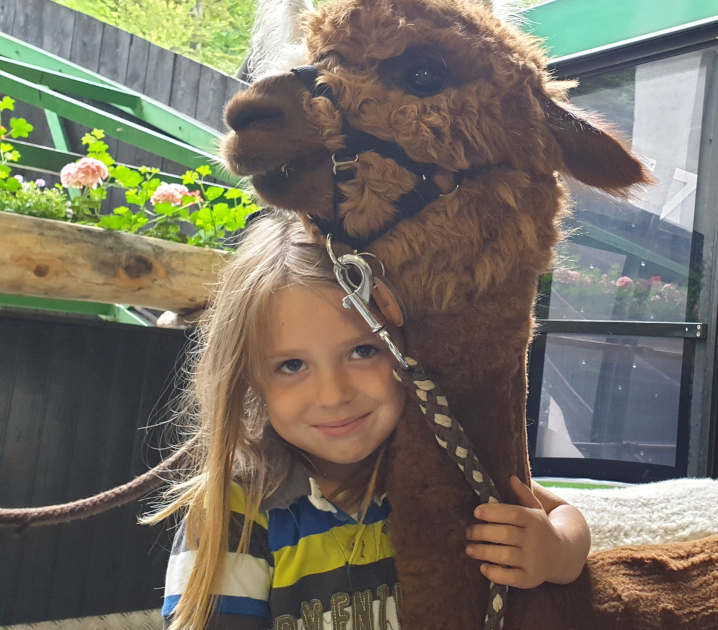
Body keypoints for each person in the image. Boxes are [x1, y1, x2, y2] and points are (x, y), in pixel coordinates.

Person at [146, 214, 591, 630]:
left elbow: (564, 516)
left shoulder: (438, 462)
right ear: (251, 379)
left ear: (406, 349)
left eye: (363, 351)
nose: (333, 394)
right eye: (292, 365)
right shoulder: (236, 512)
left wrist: (555, 552)